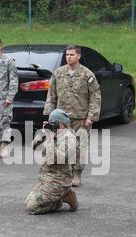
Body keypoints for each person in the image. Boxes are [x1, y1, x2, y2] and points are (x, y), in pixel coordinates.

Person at [43, 44, 101, 187]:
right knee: (61, 146)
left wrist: (91, 116)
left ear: (79, 56)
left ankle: (77, 174)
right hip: (61, 119)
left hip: (80, 118)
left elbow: (96, 95)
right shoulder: (58, 73)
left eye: (72, 55)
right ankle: (62, 174)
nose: (68, 57)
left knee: (79, 147)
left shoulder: (87, 75)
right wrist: (49, 116)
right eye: (67, 55)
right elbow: (51, 95)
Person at [25, 109, 78, 215]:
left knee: (32, 207)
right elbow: (33, 146)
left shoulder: (69, 139)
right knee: (27, 201)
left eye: (54, 122)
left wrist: (49, 140)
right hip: (46, 178)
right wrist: (43, 134)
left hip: (59, 181)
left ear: (62, 124)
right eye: (51, 121)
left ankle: (65, 195)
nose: (52, 124)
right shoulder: (51, 133)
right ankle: (59, 198)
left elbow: (57, 158)